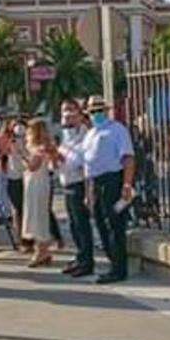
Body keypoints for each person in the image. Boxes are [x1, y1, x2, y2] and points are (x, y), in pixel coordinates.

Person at [80, 95, 134, 284]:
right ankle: (113, 263)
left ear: (106, 111)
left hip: (113, 180)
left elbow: (127, 158)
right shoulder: (90, 134)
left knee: (115, 226)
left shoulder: (117, 130)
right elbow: (88, 167)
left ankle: (119, 269)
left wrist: (126, 184)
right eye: (93, 111)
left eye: (99, 110)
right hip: (95, 182)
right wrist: (88, 192)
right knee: (102, 226)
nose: (96, 114)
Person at [56, 99, 94, 277]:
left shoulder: (85, 135)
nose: (67, 114)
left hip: (79, 184)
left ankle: (87, 261)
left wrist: (59, 158)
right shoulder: (66, 135)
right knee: (73, 225)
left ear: (80, 114)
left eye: (71, 110)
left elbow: (78, 162)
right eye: (64, 110)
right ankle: (80, 257)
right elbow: (58, 164)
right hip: (67, 183)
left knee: (81, 225)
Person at [22, 118, 58, 267]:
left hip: (38, 182)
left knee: (38, 215)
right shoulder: (41, 146)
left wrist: (21, 155)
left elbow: (33, 166)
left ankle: (41, 250)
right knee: (36, 214)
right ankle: (43, 251)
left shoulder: (41, 147)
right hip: (35, 183)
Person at [3, 118, 28, 250]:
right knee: (17, 210)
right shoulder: (8, 141)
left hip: (27, 177)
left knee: (26, 210)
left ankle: (29, 238)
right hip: (14, 177)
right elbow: (2, 151)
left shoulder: (29, 141)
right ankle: (20, 239)